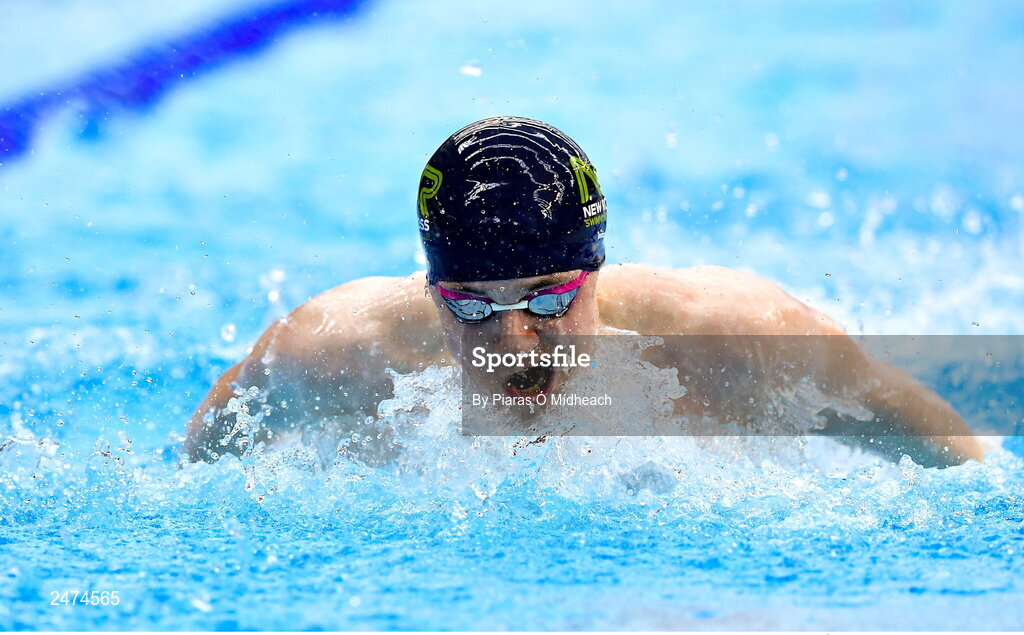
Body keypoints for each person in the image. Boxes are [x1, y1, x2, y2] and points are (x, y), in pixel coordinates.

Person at [184, 116, 985, 467]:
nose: (510, 342)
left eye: (544, 301)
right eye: (470, 305)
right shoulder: (330, 352)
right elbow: (199, 468)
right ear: (432, 291)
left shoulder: (734, 339)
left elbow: (963, 466)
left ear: (594, 272)